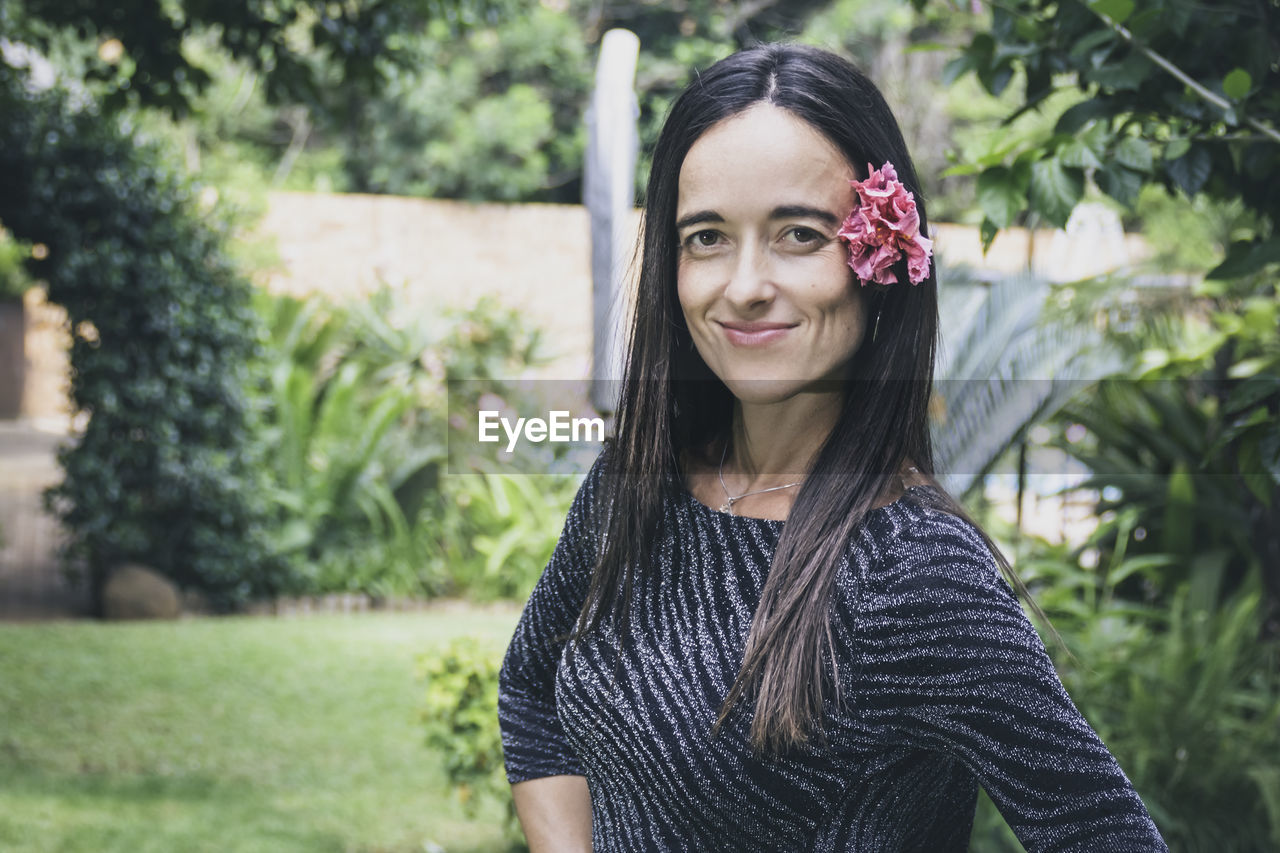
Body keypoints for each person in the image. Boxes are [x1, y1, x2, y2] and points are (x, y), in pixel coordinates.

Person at [498, 43, 1168, 852]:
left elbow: (1102, 831)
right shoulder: (634, 484)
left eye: (799, 235)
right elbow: (532, 689)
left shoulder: (912, 571)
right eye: (706, 236)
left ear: (878, 261)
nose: (743, 284)